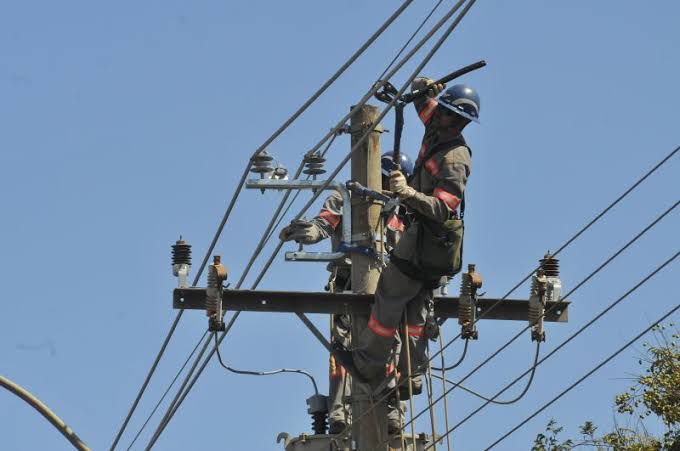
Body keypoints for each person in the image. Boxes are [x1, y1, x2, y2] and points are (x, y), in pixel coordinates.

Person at [334, 78, 480, 395]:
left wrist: (407, 193)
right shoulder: (438, 129)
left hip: (426, 242)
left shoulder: (454, 158)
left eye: (447, 114)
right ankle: (410, 376)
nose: (440, 116)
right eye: (441, 110)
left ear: (460, 121)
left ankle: (370, 366)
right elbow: (423, 107)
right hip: (428, 244)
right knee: (415, 315)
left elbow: (443, 208)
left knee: (389, 298)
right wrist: (424, 86)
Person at [279, 151, 414, 435]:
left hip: (389, 293)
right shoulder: (346, 198)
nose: (387, 188)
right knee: (344, 348)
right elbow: (323, 225)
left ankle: (392, 413)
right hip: (348, 286)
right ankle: (339, 412)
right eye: (384, 179)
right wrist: (306, 233)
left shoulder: (405, 215)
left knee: (392, 349)